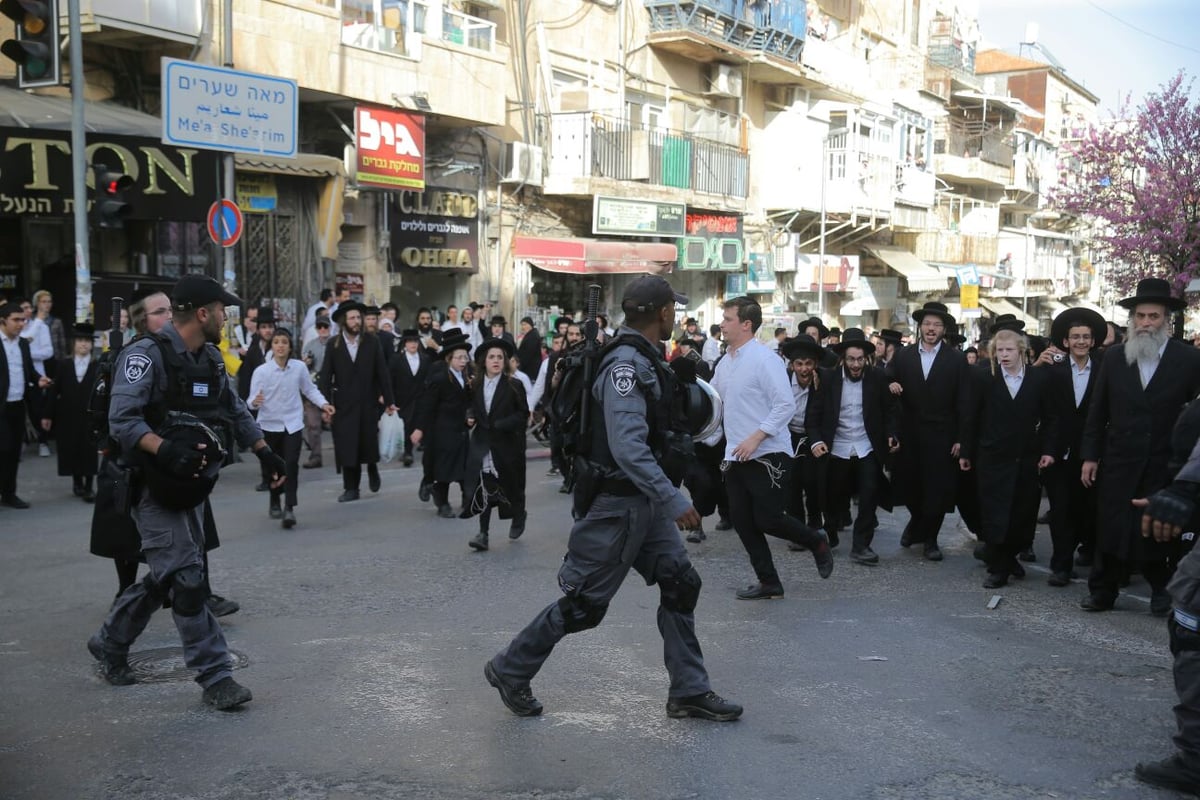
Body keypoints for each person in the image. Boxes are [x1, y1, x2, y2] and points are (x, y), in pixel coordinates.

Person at [485, 275, 741, 722]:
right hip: (618, 506)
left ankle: (689, 690)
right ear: (661, 313)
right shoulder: (624, 365)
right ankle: (510, 667)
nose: (676, 316)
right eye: (673, 310)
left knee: (681, 584)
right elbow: (627, 447)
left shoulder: (647, 357)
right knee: (585, 606)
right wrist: (673, 499)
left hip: (642, 503)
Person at [87, 275, 287, 710]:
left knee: (167, 576)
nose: (225, 318)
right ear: (202, 313)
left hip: (190, 483)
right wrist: (165, 449)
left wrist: (263, 450)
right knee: (188, 580)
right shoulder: (145, 356)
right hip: (150, 485)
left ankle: (110, 641)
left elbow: (232, 408)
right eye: (221, 311)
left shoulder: (210, 358)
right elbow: (123, 421)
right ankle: (216, 676)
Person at [1080, 278, 1200, 614]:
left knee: (1159, 529)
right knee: (1112, 526)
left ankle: (1163, 591)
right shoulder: (1115, 357)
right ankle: (1102, 591)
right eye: (1141, 317)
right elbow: (1097, 410)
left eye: (1154, 317)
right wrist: (1090, 455)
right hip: (1119, 458)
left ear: (1167, 320)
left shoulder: (1190, 360)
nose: (1146, 323)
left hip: (1164, 461)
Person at [713, 296, 833, 600]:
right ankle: (769, 582)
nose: (722, 324)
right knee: (742, 521)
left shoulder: (765, 359)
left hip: (769, 455)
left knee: (767, 518)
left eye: (728, 319)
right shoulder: (725, 362)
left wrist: (757, 436)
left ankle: (815, 540)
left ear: (746, 324)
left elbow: (785, 405)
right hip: (735, 455)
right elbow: (715, 402)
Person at [960, 328, 1057, 588]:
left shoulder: (1038, 379)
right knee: (994, 512)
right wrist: (966, 452)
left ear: (1022, 351)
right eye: (999, 351)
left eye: (1009, 350)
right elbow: (971, 416)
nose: (1004, 355)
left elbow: (1050, 419)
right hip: (992, 457)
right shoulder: (984, 377)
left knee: (1022, 514)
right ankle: (999, 568)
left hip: (1027, 458)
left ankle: (1007, 557)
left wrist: (1048, 451)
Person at [886, 301, 971, 562]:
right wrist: (891, 383)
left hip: (942, 434)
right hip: (910, 433)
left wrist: (961, 439)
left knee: (937, 488)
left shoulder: (957, 359)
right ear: (920, 327)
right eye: (927, 324)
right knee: (909, 486)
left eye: (936, 324)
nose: (931, 328)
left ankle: (930, 539)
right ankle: (916, 521)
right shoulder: (903, 355)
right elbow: (886, 379)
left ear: (944, 329)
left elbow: (964, 402)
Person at [809, 329, 899, 566]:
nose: (856, 364)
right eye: (851, 359)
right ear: (843, 359)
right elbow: (813, 415)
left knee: (869, 494)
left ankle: (862, 546)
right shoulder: (827, 379)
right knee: (831, 496)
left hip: (866, 446)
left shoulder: (877, 378)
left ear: (866, 359)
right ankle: (830, 532)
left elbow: (890, 411)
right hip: (836, 447)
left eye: (860, 359)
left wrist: (891, 434)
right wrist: (816, 441)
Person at [1035, 307, 1106, 584]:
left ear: (1092, 341)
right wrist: (1038, 366)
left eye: (1085, 337)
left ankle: (1085, 553)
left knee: (1086, 510)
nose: (1080, 341)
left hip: (1091, 454)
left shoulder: (1103, 370)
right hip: (1057, 452)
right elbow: (1031, 394)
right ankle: (1061, 565)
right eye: (1075, 336)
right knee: (1061, 509)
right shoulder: (1052, 371)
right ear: (1065, 341)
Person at [249, 328, 335, 528]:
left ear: (290, 347)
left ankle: (289, 507)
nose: (280, 346)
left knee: (291, 464)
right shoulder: (262, 371)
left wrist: (324, 404)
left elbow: (309, 389)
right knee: (272, 466)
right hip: (269, 424)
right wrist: (255, 402)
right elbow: (250, 400)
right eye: (277, 342)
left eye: (284, 342)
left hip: (292, 424)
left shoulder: (298, 368)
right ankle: (274, 499)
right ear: (272, 346)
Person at [318, 301, 397, 503]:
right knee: (347, 446)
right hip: (343, 405)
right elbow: (326, 376)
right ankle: (351, 488)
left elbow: (383, 373)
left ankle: (372, 466)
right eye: (352, 318)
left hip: (368, 402)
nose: (356, 321)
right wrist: (324, 404)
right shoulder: (334, 344)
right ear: (344, 321)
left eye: (358, 317)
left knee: (367, 442)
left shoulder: (371, 342)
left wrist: (389, 400)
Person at [463, 337, 529, 550]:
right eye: (492, 357)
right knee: (485, 486)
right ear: (484, 361)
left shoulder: (514, 385)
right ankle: (483, 533)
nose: (496, 361)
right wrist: (470, 415)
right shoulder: (476, 384)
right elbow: (472, 406)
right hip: (483, 444)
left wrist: (503, 423)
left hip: (508, 445)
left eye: (500, 357)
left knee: (512, 487)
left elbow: (523, 414)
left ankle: (519, 515)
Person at [411, 330, 473, 518]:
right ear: (450, 358)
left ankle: (467, 500)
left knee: (465, 468)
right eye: (460, 357)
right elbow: (427, 405)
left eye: (465, 357)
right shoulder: (440, 378)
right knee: (444, 469)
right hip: (443, 429)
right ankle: (443, 503)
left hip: (461, 429)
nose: (464, 361)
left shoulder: (467, 377)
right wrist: (419, 428)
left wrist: (470, 415)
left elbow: (469, 401)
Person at [41, 322, 99, 502]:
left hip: (90, 415)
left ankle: (89, 485)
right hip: (68, 415)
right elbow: (54, 391)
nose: (83, 344)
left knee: (89, 448)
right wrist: (47, 414)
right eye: (80, 340)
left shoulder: (97, 365)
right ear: (73, 343)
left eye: (87, 341)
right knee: (72, 447)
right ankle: (77, 481)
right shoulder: (64, 365)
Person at [0, 302, 49, 507]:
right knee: (2, 449)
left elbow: (28, 371)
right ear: (2, 321)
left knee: (13, 452)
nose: (21, 324)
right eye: (16, 320)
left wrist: (38, 379)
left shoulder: (22, 344)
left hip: (18, 406)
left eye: (23, 320)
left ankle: (9, 494)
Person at [781, 334, 826, 532]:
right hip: (788, 435)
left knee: (812, 481)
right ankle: (797, 527)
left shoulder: (823, 380)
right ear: (792, 365)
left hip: (813, 437)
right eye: (799, 364)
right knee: (792, 482)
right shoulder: (781, 381)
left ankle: (815, 524)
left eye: (808, 364)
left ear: (815, 364)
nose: (804, 369)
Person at [390, 329, 430, 468]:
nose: (413, 344)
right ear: (404, 343)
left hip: (420, 397)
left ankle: (417, 449)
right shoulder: (397, 359)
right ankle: (407, 452)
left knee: (418, 422)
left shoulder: (425, 359)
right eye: (409, 341)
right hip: (403, 398)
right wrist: (389, 399)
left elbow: (428, 379)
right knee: (406, 424)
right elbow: (391, 379)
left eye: (415, 341)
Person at [300, 318, 332, 469]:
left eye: (325, 326)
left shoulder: (336, 344)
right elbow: (303, 365)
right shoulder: (310, 345)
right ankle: (315, 455)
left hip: (333, 388)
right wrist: (306, 362)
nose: (323, 329)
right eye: (320, 327)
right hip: (314, 388)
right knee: (313, 425)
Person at [516, 316, 542, 383]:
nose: (522, 327)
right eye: (521, 325)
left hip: (530, 371)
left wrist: (519, 366)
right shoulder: (530, 335)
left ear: (530, 325)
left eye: (525, 324)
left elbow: (527, 354)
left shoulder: (532, 336)